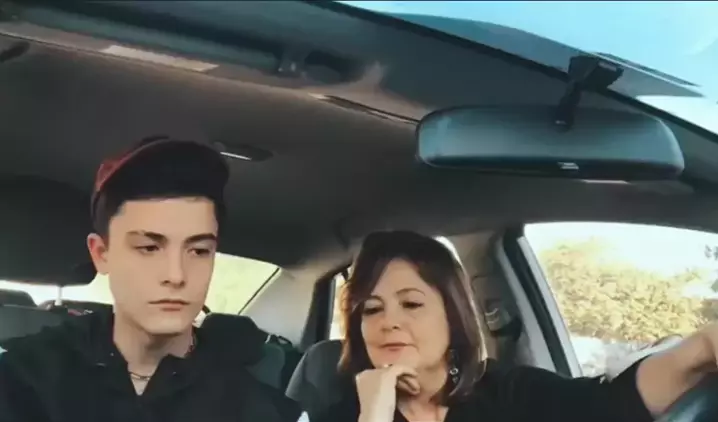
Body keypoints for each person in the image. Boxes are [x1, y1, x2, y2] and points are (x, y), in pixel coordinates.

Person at [0, 136, 306, 422]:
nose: (176, 275)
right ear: (101, 254)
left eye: (198, 250)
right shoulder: (20, 381)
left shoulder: (266, 413)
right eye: (149, 248)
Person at [316, 230, 718, 422]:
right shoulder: (341, 415)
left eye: (411, 304)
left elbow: (611, 406)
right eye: (371, 310)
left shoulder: (509, 393)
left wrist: (698, 349)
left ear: (453, 316)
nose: (389, 322)